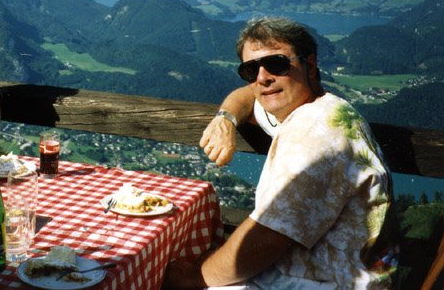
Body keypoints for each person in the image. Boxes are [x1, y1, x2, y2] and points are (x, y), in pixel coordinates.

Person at [164, 17, 398, 289]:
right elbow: (248, 96)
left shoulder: (318, 133)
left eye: (277, 64)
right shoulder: (316, 109)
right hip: (311, 275)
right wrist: (225, 119)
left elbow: (267, 239)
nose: (263, 78)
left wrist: (196, 277)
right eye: (251, 70)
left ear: (309, 65)